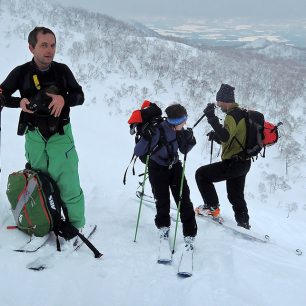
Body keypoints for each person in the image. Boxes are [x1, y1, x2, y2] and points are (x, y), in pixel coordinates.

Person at [1, 27, 85, 229]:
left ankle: (75, 226)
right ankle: (45, 221)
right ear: (31, 48)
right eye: (44, 45)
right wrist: (18, 102)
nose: (50, 50)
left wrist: (63, 98)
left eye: (53, 45)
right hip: (34, 135)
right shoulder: (21, 72)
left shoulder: (62, 70)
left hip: (61, 135)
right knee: (38, 182)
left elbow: (80, 96)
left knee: (69, 184)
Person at [134, 103, 197, 246]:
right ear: (175, 122)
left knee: (184, 200)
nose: (185, 123)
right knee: (162, 200)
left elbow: (183, 150)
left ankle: (190, 232)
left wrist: (190, 140)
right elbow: (138, 151)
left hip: (175, 167)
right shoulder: (156, 131)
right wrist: (146, 137)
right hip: (157, 169)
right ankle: (163, 227)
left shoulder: (179, 131)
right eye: (183, 120)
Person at [195, 84, 251, 229]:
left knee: (201, 174)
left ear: (225, 100)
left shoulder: (232, 116)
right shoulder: (241, 113)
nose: (218, 106)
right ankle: (243, 222)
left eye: (219, 102)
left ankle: (211, 208)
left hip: (233, 163)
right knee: (235, 196)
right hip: (243, 163)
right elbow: (231, 137)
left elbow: (225, 137)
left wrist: (211, 118)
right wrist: (216, 136)